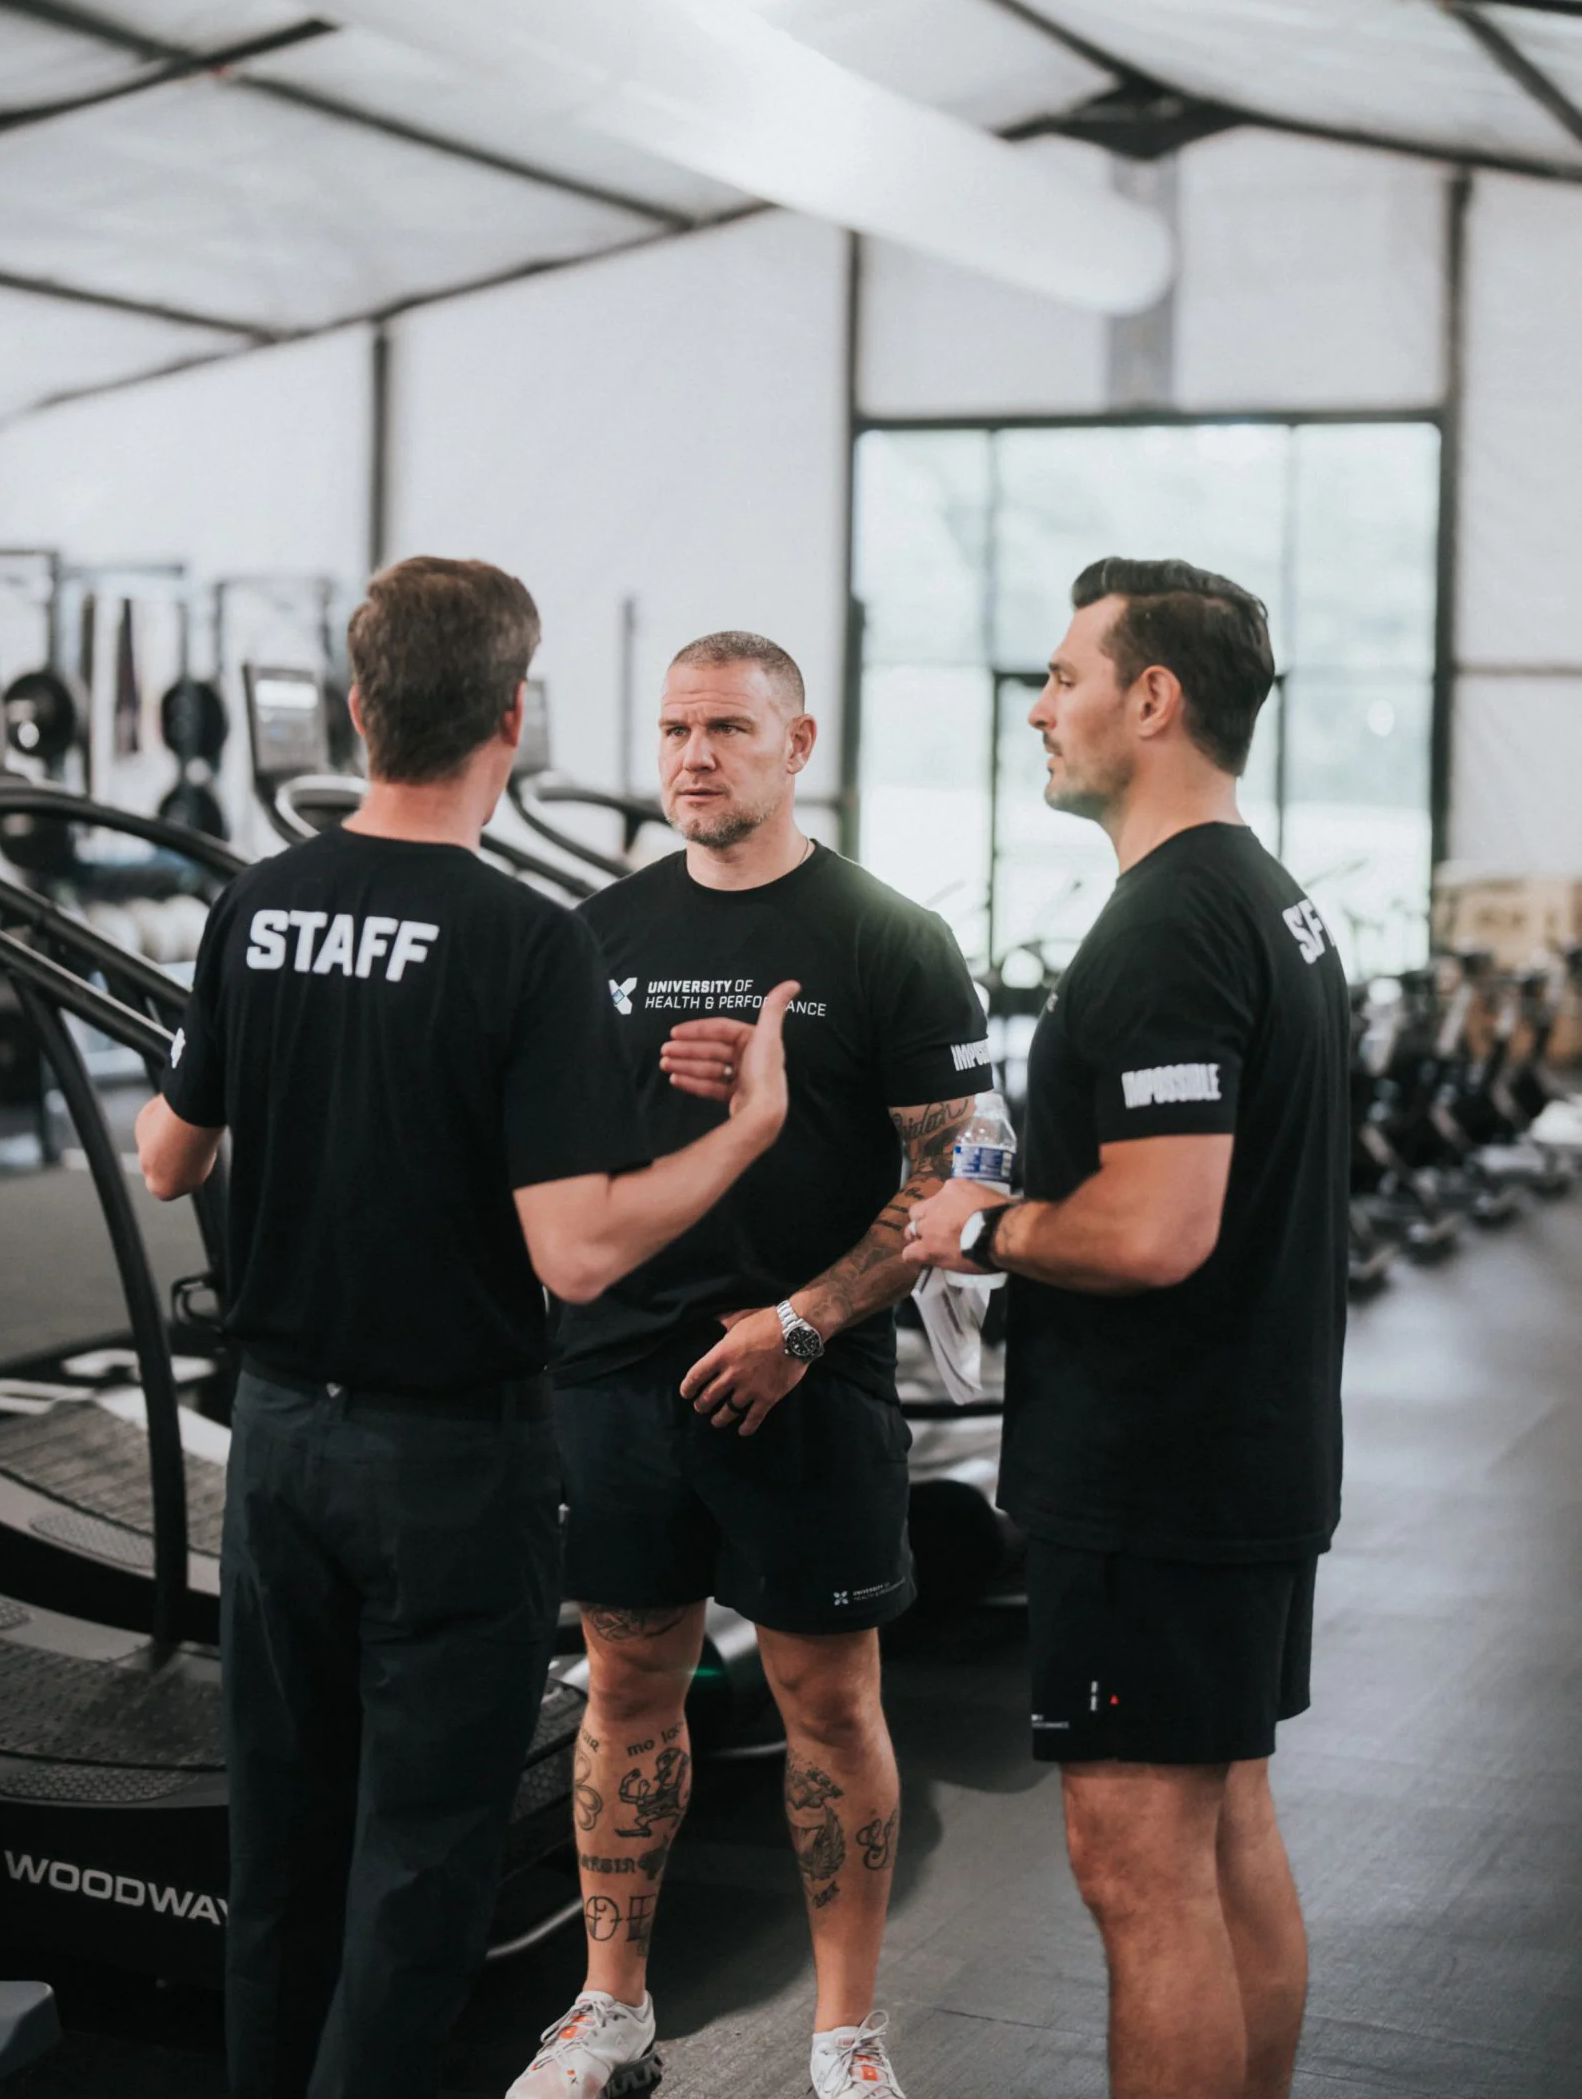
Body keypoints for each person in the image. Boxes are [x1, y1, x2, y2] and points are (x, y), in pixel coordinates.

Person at [134, 559, 797, 2099]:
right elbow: (574, 1257)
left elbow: (171, 1157)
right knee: (422, 1857)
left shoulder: (257, 901)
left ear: (361, 712)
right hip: (449, 1463)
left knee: (280, 1833)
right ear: (511, 718)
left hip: (280, 1441)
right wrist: (745, 1133)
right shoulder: (523, 940)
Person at [508, 631, 993, 2099]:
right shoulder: (587, 937)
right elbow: (556, 1173)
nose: (693, 756)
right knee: (626, 1684)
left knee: (829, 1703)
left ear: (799, 743)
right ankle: (610, 2011)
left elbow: (956, 1177)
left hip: (807, 1378)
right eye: (671, 730)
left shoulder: (886, 936)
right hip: (618, 1382)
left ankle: (845, 2035)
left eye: (725, 726)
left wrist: (802, 1323)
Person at [905, 558, 1350, 2099]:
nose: (1037, 708)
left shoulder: (1168, 926)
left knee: (1134, 1873)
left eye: (1063, 677)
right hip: (1240, 1456)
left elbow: (1159, 1229)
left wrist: (987, 1229)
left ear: (1150, 699)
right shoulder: (1268, 900)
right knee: (1224, 1836)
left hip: (1160, 1478)